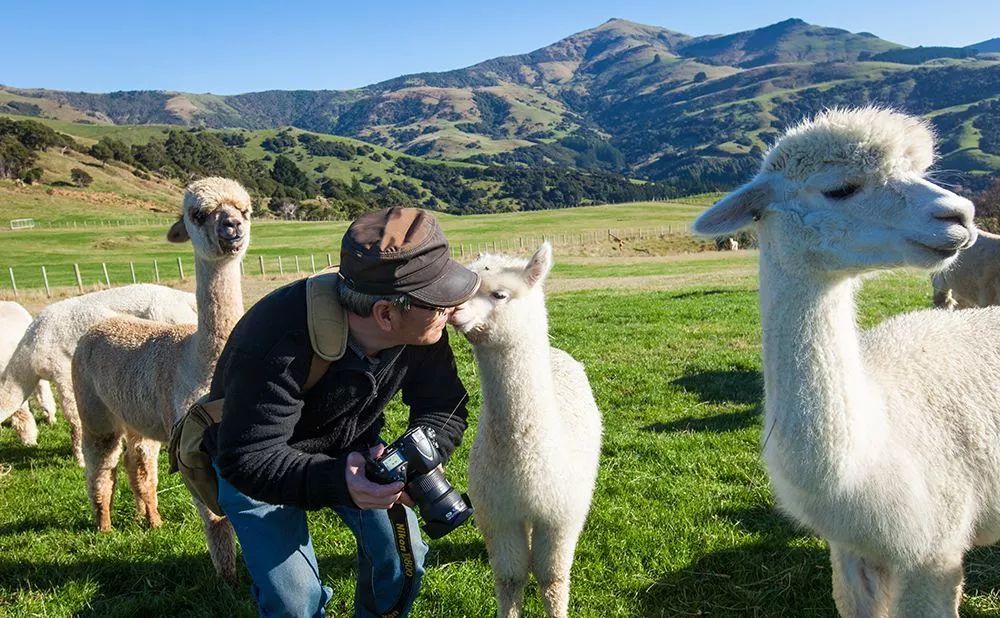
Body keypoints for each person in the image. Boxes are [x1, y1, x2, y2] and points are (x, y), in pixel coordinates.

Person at [203, 207, 480, 617]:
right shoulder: (274, 340)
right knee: (294, 602)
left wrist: (416, 452)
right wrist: (340, 482)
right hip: (257, 466)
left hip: (352, 447)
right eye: (439, 301)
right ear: (386, 313)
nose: (453, 307)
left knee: (403, 561)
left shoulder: (421, 328)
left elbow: (444, 406)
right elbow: (247, 458)